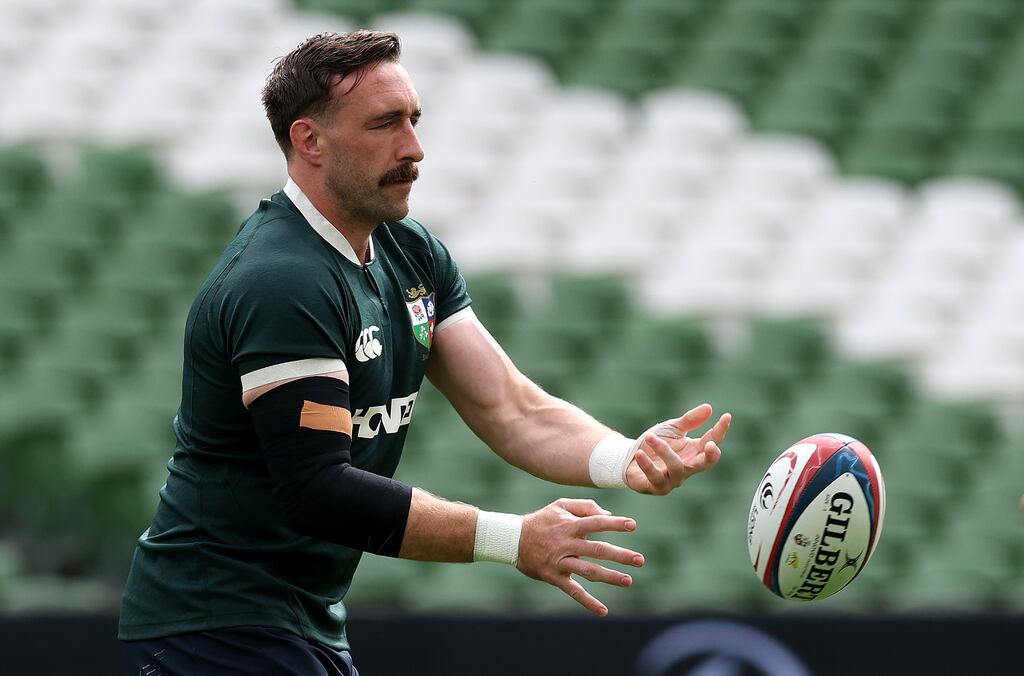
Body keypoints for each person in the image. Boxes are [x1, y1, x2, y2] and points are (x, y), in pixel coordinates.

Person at [118, 30, 731, 675]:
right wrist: (512, 538)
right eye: (385, 125)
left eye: (413, 121)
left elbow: (510, 408)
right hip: (214, 621)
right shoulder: (282, 280)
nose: (414, 149)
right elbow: (317, 490)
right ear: (309, 141)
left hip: (295, 620)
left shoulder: (409, 253)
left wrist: (624, 456)